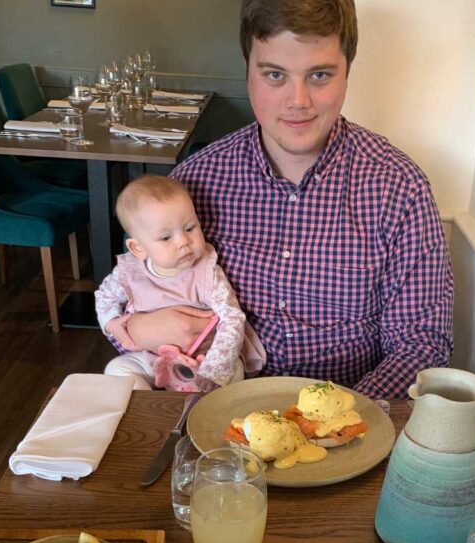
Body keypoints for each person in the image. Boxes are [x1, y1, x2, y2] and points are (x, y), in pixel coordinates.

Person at [122, 0, 454, 399]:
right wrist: (137, 327)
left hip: (348, 418)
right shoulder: (194, 181)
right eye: (275, 74)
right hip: (213, 416)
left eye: (319, 75)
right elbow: (135, 294)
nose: (298, 100)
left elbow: (420, 346)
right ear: (248, 74)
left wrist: (334, 419)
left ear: (347, 73)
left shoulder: (399, 188)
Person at [95, 175, 265, 391]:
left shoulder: (207, 271)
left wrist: (214, 368)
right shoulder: (129, 272)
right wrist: (111, 322)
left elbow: (232, 317)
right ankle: (147, 412)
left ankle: (212, 412)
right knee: (117, 370)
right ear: (138, 248)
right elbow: (105, 296)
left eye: (190, 228)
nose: (183, 242)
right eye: (166, 238)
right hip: (152, 357)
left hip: (205, 358)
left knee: (233, 372)